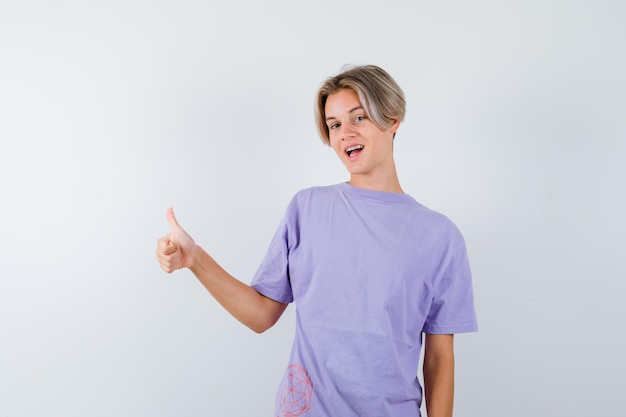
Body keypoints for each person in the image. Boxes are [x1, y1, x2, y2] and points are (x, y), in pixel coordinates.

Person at [155, 65, 478, 417]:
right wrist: (195, 259)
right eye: (335, 124)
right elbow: (261, 315)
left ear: (393, 119)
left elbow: (439, 356)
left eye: (359, 117)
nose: (345, 133)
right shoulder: (306, 209)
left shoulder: (439, 236)